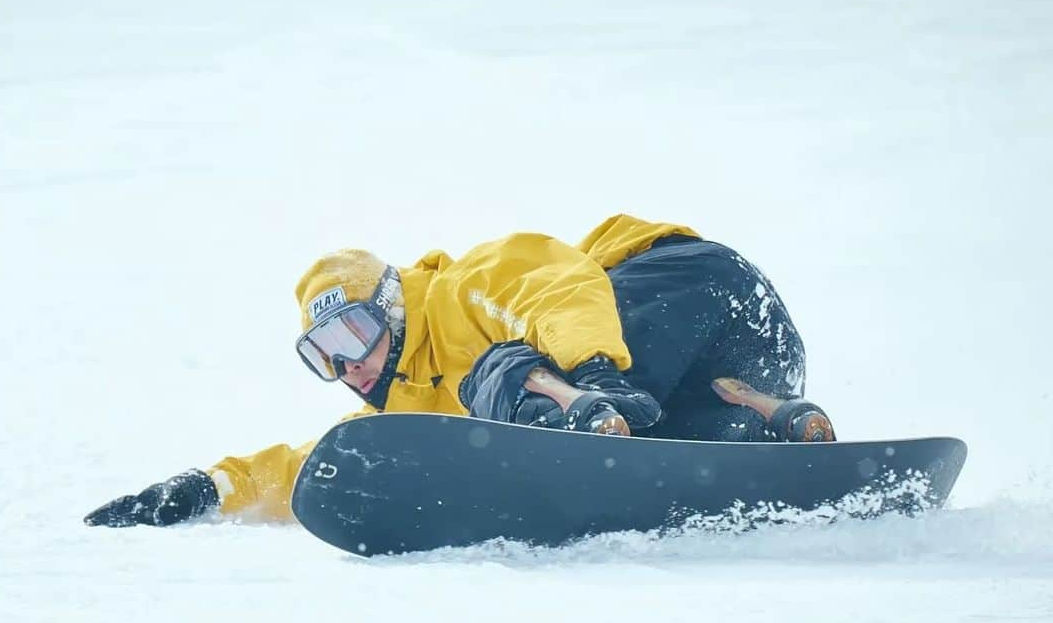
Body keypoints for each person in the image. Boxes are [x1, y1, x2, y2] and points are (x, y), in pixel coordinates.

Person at [84, 214, 834, 528]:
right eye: (323, 355)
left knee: (498, 372)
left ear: (389, 303)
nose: (347, 364)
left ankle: (582, 411)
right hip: (744, 361)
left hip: (685, 282)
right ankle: (769, 424)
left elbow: (556, 287)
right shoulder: (401, 413)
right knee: (668, 428)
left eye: (350, 331)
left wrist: (596, 369)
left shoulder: (454, 293)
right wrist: (209, 490)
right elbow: (323, 466)